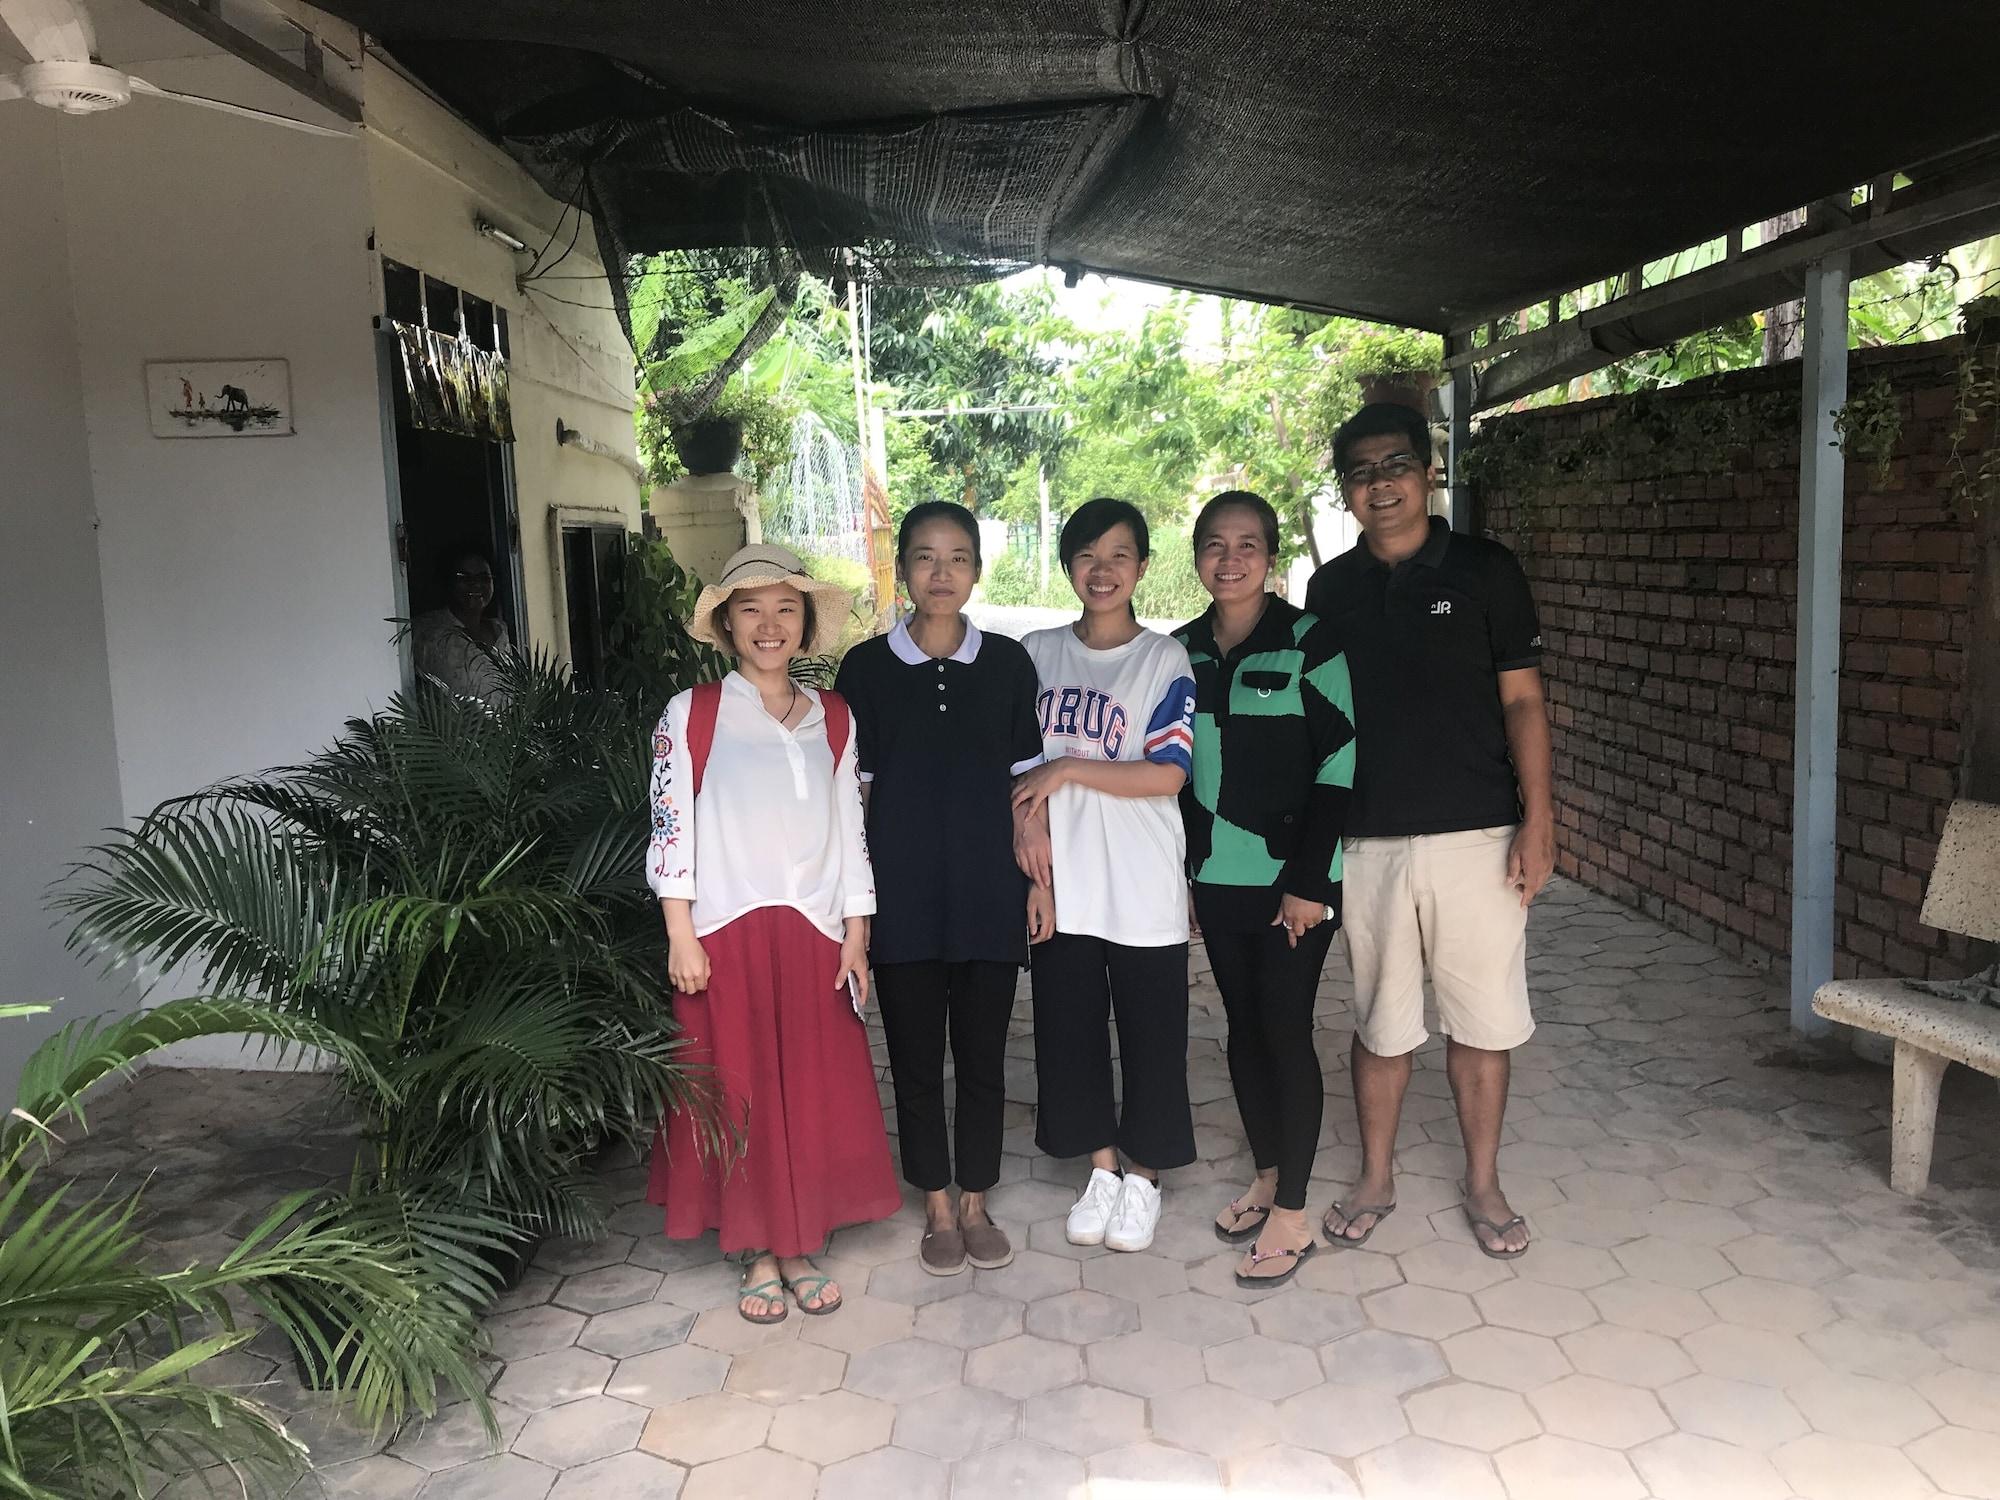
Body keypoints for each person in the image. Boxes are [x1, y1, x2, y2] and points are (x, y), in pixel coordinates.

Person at [1303, 403, 1554, 1260]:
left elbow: (1523, 699)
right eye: (1363, 472)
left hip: (1479, 836)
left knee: (1483, 1022)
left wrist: (1539, 819)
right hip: (1366, 840)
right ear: (1346, 489)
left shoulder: (1487, 569)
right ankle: (1376, 1177)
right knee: (1381, 1022)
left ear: (1428, 471)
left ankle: (1482, 1183)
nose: (1382, 484)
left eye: (1396, 465)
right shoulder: (1329, 590)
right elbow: (1320, 721)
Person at [645, 544, 899, 1321]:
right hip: (725, 932)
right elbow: (669, 827)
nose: (769, 624)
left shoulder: (835, 718)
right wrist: (680, 934)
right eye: (750, 608)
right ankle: (758, 1251)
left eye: (785, 608)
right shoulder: (693, 713)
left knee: (809, 1090)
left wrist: (857, 932)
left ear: (805, 624)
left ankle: (799, 1240)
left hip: (816, 932)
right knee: (742, 1091)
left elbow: (850, 828)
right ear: (726, 623)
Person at [833, 503, 1045, 1275]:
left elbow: (1029, 786)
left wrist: (1035, 881)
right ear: (903, 571)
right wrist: (854, 904)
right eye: (925, 557)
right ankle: (934, 1202)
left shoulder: (1010, 665)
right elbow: (853, 793)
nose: (942, 573)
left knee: (984, 1057)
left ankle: (978, 1196)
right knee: (918, 1060)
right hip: (904, 903)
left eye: (958, 558)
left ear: (978, 571)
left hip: (990, 896)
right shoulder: (865, 669)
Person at [1173, 491, 1356, 1287]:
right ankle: (1269, 1175)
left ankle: (1296, 1213)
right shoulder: (1181, 651)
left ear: (1270, 557)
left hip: (1294, 884)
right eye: (1215, 545)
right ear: (1197, 559)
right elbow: (1175, 774)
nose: (1231, 559)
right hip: (1217, 875)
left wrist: (1311, 880)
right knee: (1243, 1029)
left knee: (1285, 1028)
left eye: (1248, 544)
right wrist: (1183, 874)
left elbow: (1340, 762)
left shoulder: (1309, 642)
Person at [1013, 498, 1197, 1255]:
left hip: (1143, 876)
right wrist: (1032, 858)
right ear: (1068, 566)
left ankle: (1145, 1177)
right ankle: (1100, 1169)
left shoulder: (1164, 660)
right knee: (1070, 1031)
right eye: (1087, 554)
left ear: (1143, 567)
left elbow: (1167, 775)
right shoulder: (1035, 652)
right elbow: (1019, 773)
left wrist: (1067, 766)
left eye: (1120, 554)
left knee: (1154, 1033)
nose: (1103, 569)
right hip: (1064, 880)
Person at [412, 548, 513, 705]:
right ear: (448, 582)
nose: (476, 584)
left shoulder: (500, 631)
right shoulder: (428, 633)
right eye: (464, 578)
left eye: (484, 577)